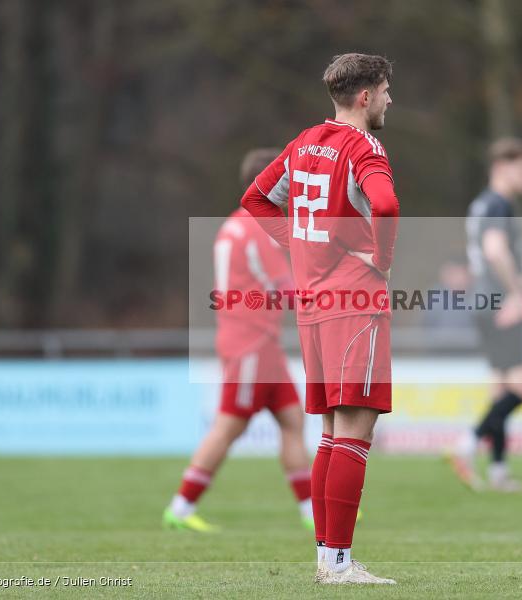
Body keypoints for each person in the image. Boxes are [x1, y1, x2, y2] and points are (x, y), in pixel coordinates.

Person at [241, 53, 399, 585]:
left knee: (333, 432)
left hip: (313, 304)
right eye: (385, 91)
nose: (389, 100)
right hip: (354, 300)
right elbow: (387, 205)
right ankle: (339, 564)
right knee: (353, 431)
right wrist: (382, 259)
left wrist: (300, 245)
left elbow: (255, 198)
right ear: (365, 97)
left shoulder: (304, 141)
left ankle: (328, 562)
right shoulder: (365, 146)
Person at [162, 149, 313, 533]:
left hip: (254, 340)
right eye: (284, 181)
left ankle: (313, 512)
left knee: (293, 420)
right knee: (229, 425)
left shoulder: (234, 224)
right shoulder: (257, 228)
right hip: (252, 343)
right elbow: (286, 289)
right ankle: (180, 507)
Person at [449, 138, 522, 492]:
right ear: (503, 167)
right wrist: (517, 295)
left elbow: (494, 258)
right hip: (503, 305)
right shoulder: (499, 204)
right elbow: (495, 250)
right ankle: (466, 445)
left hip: (485, 303)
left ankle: (498, 470)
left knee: (502, 388)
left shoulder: (483, 204)